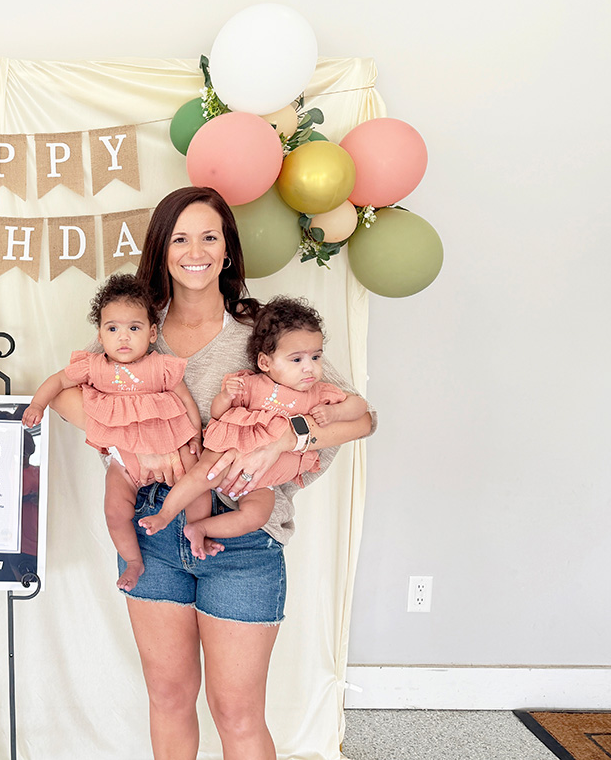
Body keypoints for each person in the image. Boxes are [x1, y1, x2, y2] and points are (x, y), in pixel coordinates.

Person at [50, 186, 376, 760]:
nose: (195, 251)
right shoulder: (135, 329)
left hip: (245, 537)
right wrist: (132, 447)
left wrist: (284, 439)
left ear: (227, 250)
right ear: (161, 249)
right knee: (169, 697)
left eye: (209, 237)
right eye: (180, 238)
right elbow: (65, 394)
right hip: (152, 531)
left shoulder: (262, 333)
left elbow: (361, 419)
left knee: (237, 713)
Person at [138, 294, 369, 560]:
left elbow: (361, 407)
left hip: (262, 479)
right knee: (202, 475)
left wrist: (336, 411)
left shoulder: (318, 393)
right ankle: (165, 514)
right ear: (265, 363)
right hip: (228, 451)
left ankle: (201, 529)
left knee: (257, 514)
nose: (310, 368)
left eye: (316, 357)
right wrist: (226, 396)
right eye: (296, 360)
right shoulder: (254, 384)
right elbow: (218, 413)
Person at [21, 273, 203, 591]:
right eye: (113, 329)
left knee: (197, 483)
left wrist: (195, 437)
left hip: (170, 444)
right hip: (123, 460)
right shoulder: (94, 366)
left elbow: (186, 400)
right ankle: (133, 560)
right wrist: (38, 404)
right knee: (114, 510)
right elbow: (58, 381)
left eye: (134, 328)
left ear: (152, 333)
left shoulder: (160, 366)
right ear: (101, 335)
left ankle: (199, 528)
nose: (123, 338)